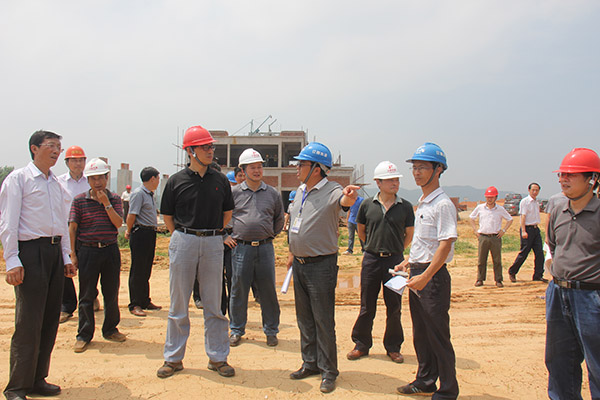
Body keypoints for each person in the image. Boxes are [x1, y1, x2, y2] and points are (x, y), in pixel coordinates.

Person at [1, 130, 76, 400]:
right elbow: (8, 222)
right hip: (30, 253)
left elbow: (62, 225)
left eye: (59, 147)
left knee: (49, 319)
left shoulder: (56, 184)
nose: (56, 151)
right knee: (29, 321)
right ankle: (17, 387)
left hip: (54, 252)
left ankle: (37, 379)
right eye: (51, 146)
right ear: (34, 148)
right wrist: (12, 259)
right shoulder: (18, 179)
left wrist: (66, 257)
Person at [157, 125, 235, 379]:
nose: (210, 151)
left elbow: (227, 213)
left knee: (214, 304)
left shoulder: (220, 180)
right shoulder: (176, 181)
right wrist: (183, 236)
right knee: (179, 303)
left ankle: (218, 357)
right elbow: (168, 216)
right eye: (205, 147)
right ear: (190, 151)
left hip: (213, 242)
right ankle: (173, 358)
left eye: (211, 146)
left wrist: (212, 234)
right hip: (184, 241)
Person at [286, 142, 359, 394]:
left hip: (321, 266)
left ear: (316, 168)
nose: (297, 168)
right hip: (299, 263)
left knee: (323, 320)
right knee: (304, 318)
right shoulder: (300, 191)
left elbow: (344, 201)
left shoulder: (332, 190)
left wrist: (350, 197)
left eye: (301, 164)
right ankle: (310, 363)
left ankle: (329, 371)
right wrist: (291, 252)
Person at [395, 142, 459, 399]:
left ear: (438, 169)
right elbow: (425, 243)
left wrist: (425, 276)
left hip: (432, 278)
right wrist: (408, 262)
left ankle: (448, 390)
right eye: (414, 168)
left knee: (438, 335)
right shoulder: (423, 202)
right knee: (421, 334)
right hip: (418, 273)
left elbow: (445, 245)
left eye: (422, 167)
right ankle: (425, 381)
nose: (417, 172)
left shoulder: (442, 204)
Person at [545, 147, 600, 400]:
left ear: (592, 179)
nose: (563, 179)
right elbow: (553, 245)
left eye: (571, 174)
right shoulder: (558, 208)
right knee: (559, 361)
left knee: (597, 363)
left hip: (591, 297)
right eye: (561, 174)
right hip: (558, 294)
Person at [347, 161, 414, 364]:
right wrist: (372, 246)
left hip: (396, 263)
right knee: (367, 305)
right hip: (371, 260)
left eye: (396, 180)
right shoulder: (367, 205)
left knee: (394, 306)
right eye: (390, 180)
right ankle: (361, 344)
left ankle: (393, 347)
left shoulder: (405, 207)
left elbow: (409, 234)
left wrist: (396, 250)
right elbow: (361, 230)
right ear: (378, 182)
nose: (395, 183)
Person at [229, 148, 284, 347]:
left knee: (268, 291)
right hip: (241, 248)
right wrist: (226, 236)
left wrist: (268, 235)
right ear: (243, 171)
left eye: (259, 167)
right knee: (239, 290)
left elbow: (279, 219)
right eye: (252, 167)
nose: (257, 171)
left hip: (265, 248)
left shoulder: (272, 193)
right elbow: (223, 216)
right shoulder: (234, 193)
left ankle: (271, 330)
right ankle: (236, 329)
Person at [69, 158, 125, 353]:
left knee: (111, 292)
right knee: (86, 295)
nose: (97, 182)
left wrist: (106, 204)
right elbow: (73, 228)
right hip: (88, 251)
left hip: (110, 250)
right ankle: (84, 335)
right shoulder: (79, 200)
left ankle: (110, 329)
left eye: (101, 177)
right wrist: (73, 254)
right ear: (88, 180)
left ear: (107, 178)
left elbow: (118, 223)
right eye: (93, 178)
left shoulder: (115, 199)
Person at [57, 145, 91, 323]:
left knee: (88, 266)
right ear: (67, 162)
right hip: (65, 230)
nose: (78, 164)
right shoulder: (58, 182)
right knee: (65, 265)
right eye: (74, 160)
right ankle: (67, 305)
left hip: (86, 231)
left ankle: (91, 297)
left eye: (81, 160)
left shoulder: (90, 182)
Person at [125, 167, 162, 317]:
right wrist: (128, 231)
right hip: (140, 233)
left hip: (150, 233)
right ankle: (135, 303)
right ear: (152, 179)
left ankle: (145, 300)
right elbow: (131, 215)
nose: (158, 181)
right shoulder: (138, 194)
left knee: (146, 268)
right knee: (138, 269)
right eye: (158, 178)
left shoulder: (149, 194)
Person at [469, 186, 513, 288]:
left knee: (497, 260)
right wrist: (475, 230)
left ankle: (498, 280)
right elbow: (471, 218)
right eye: (488, 197)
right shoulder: (480, 208)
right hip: (483, 237)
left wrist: (503, 230)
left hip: (495, 237)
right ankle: (480, 279)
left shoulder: (500, 209)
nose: (489, 199)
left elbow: (510, 219)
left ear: (496, 197)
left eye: (492, 197)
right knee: (481, 260)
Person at [508, 183, 546, 282]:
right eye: (533, 190)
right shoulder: (525, 202)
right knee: (524, 252)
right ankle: (512, 271)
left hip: (535, 229)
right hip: (527, 229)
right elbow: (523, 216)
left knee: (539, 253)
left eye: (537, 190)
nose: (535, 192)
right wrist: (523, 231)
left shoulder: (537, 202)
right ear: (529, 190)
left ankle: (538, 275)